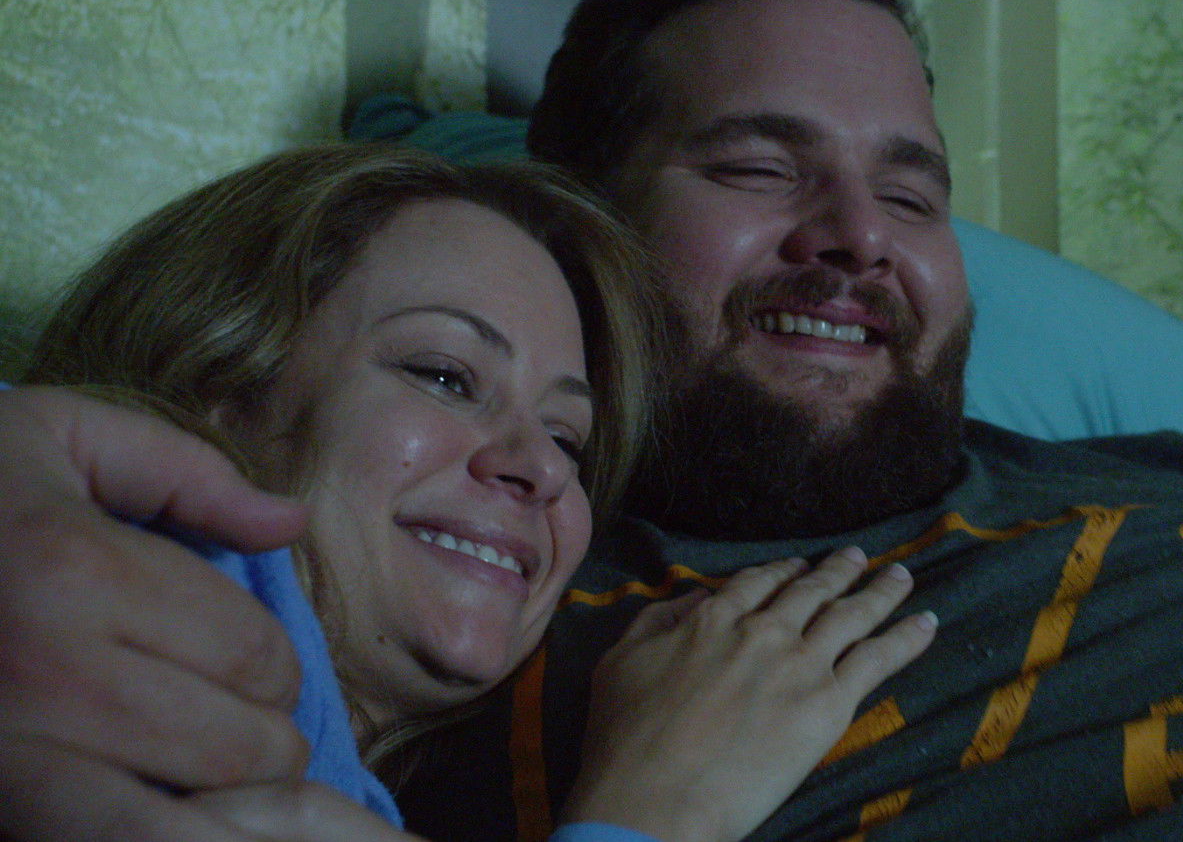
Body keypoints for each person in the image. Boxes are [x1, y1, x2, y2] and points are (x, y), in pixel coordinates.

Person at [3, 0, 1183, 839]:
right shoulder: (468, 600)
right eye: (757, 165)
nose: (857, 237)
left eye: (913, 191)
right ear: (581, 216)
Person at [3, 142, 935, 841]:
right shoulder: (99, 575)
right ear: (220, 388)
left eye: (569, 439)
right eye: (445, 376)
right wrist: (656, 812)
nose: (541, 468)